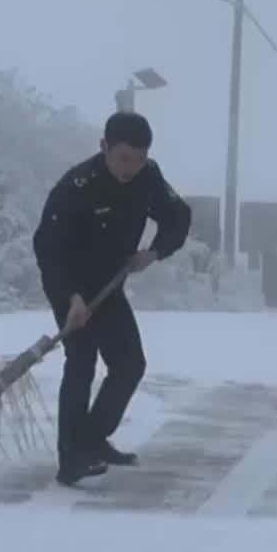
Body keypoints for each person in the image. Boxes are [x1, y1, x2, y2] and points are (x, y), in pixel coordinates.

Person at [32, 111, 193, 485]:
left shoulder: (148, 177)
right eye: (123, 158)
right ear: (104, 147)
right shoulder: (77, 186)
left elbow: (178, 216)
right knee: (82, 361)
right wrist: (70, 298)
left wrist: (154, 252)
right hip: (70, 283)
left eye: (138, 159)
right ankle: (71, 458)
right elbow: (48, 248)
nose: (130, 168)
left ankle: (91, 438)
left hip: (109, 283)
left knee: (129, 364)